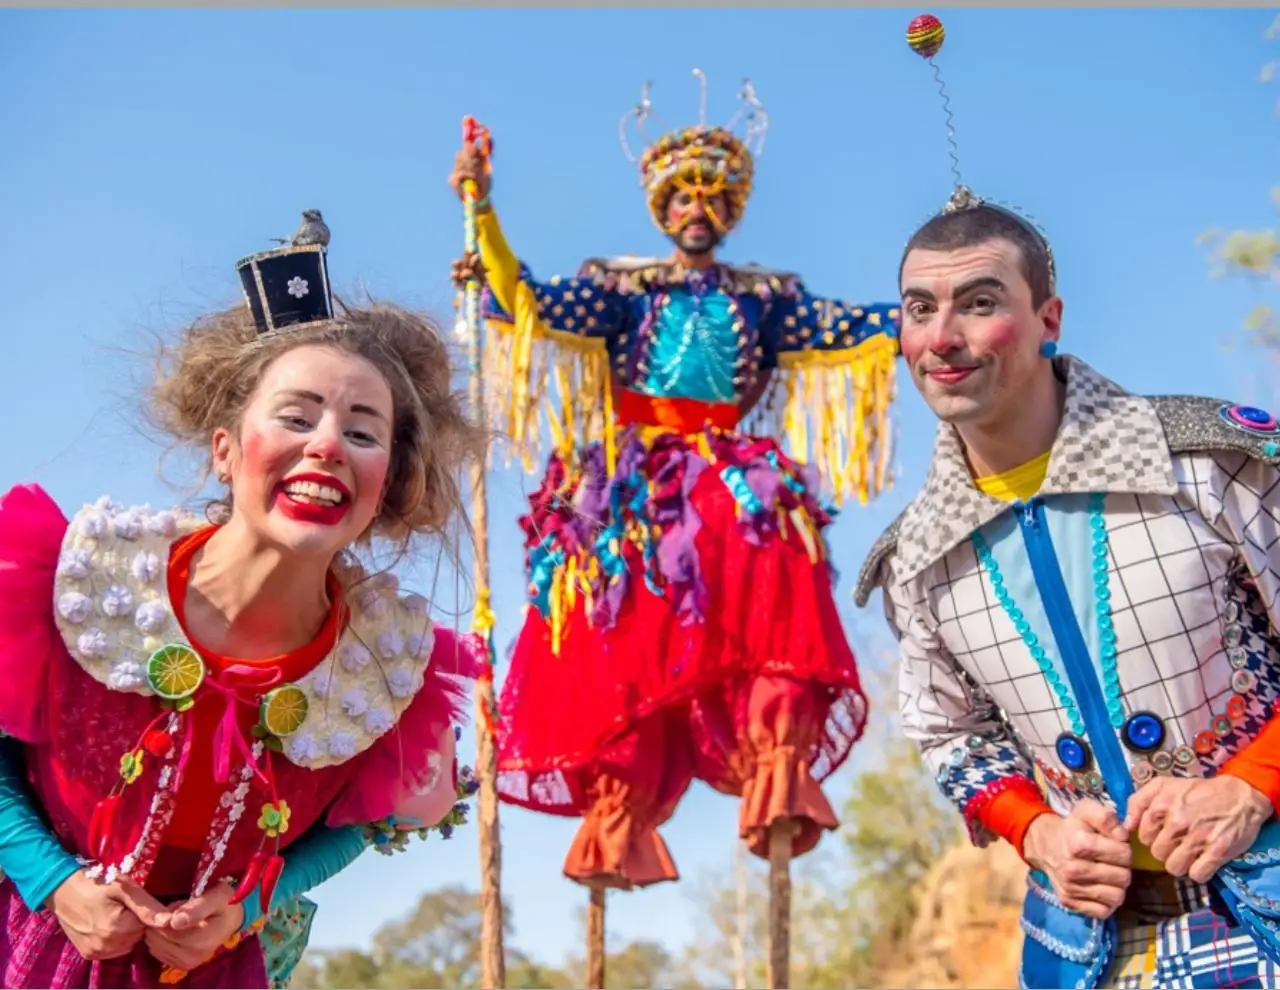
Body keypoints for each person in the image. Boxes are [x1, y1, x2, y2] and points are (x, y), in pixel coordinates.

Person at [0, 217, 486, 988]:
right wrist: (51, 880)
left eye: (363, 432)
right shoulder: (81, 582)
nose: (326, 444)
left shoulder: (385, 669)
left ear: (388, 483)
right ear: (225, 448)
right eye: (296, 416)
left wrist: (255, 902)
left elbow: (365, 823)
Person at [447, 78, 901, 890]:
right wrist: (482, 211)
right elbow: (529, 299)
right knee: (615, 624)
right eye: (684, 194)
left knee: (779, 576)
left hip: (732, 481)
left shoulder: (767, 298)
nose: (699, 207)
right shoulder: (625, 287)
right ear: (661, 207)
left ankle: (777, 768)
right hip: (638, 487)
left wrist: (941, 308)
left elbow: (858, 324)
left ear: (732, 212)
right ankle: (619, 808)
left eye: (715, 195)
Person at [856, 181, 1280, 987]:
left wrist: (1254, 784)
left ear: (1050, 320)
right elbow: (955, 739)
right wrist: (1040, 834)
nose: (942, 337)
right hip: (1093, 945)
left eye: (979, 303)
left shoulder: (1209, 462)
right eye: (918, 309)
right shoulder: (915, 560)